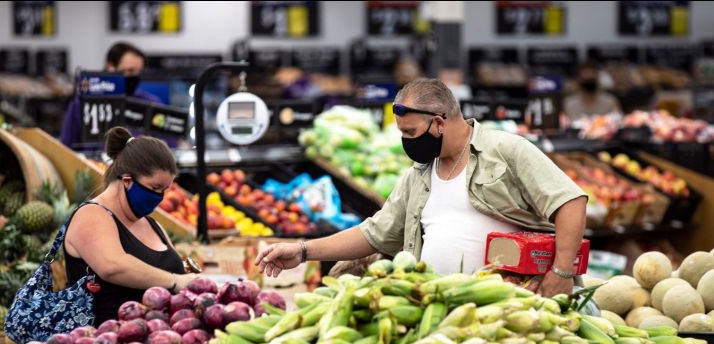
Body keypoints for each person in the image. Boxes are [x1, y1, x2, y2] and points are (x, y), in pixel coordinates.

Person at [256, 78, 588, 297]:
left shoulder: (506, 150)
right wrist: (301, 251)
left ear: (439, 121)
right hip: (439, 307)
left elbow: (570, 202)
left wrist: (560, 272)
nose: (406, 142)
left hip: (511, 305)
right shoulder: (418, 176)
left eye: (411, 133)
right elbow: (373, 234)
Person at [64, 126, 197, 323]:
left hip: (161, 342)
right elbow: (113, 266)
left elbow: (178, 272)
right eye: (155, 188)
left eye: (165, 190)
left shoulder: (152, 225)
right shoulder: (91, 215)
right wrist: (175, 281)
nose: (160, 197)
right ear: (127, 180)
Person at [60, 42, 162, 149]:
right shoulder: (82, 103)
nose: (135, 77)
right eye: (130, 71)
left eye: (139, 72)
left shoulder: (152, 103)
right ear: (111, 67)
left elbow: (168, 148)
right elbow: (66, 148)